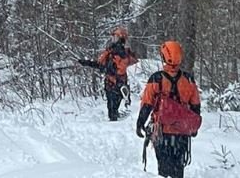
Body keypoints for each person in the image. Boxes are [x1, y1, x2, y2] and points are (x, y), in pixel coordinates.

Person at [136, 40, 202, 178]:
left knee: (164, 170)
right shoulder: (189, 81)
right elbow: (195, 106)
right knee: (178, 169)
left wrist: (140, 123)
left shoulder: (156, 79)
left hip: (162, 131)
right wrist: (193, 127)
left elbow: (147, 104)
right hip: (182, 132)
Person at [79, 25, 138, 120]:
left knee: (112, 108)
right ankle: (116, 118)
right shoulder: (122, 53)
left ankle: (114, 123)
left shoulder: (115, 53)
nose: (113, 40)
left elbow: (101, 65)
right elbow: (102, 65)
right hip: (119, 84)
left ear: (120, 39)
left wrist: (88, 63)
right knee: (113, 107)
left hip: (113, 84)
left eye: (115, 37)